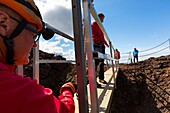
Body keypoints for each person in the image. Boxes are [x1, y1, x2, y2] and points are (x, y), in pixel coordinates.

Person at [0, 1, 75, 113]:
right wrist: (67, 91)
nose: (35, 44)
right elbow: (65, 111)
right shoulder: (18, 90)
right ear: (3, 24)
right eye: (34, 35)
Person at [91, 13, 109, 87]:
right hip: (96, 45)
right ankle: (94, 82)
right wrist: (100, 41)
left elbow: (102, 37)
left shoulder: (101, 27)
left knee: (102, 63)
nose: (103, 20)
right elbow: (93, 36)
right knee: (95, 64)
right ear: (97, 18)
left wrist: (106, 44)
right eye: (102, 19)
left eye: (103, 19)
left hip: (101, 46)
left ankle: (101, 78)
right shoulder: (93, 25)